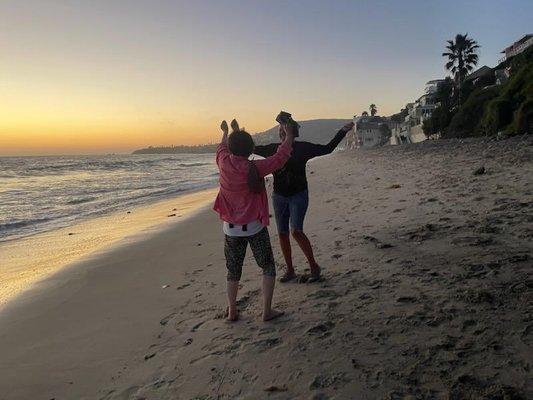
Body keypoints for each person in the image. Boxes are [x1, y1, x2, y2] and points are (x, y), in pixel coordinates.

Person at [254, 118, 354, 282]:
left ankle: (314, 267)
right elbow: (247, 148)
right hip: (279, 196)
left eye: (285, 130)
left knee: (296, 231)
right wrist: (233, 135)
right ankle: (290, 270)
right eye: (281, 130)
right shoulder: (272, 149)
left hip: (298, 195)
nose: (282, 132)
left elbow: (328, 148)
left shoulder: (303, 147)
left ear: (292, 133)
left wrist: (343, 130)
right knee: (282, 234)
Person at [214, 119, 294, 321]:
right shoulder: (255, 168)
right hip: (255, 227)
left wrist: (226, 131)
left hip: (231, 229)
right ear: (251, 149)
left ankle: (232, 310)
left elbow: (222, 148)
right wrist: (289, 136)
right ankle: (267, 311)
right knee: (267, 267)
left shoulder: (223, 163)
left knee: (233, 271)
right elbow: (280, 158)